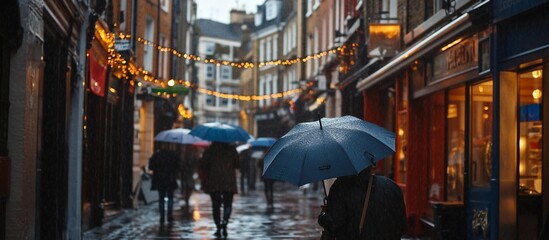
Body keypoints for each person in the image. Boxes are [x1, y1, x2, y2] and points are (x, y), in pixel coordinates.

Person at [318, 166, 406, 239]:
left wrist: (323, 216)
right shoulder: (391, 187)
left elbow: (333, 224)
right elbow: (402, 226)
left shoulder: (341, 187)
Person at [199, 141, 239, 238]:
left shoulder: (210, 150)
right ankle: (224, 224)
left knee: (216, 205)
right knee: (228, 204)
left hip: (214, 181)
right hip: (229, 181)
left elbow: (203, 164)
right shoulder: (232, 150)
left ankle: (218, 227)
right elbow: (237, 164)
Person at [148, 143, 180, 225]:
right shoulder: (173, 155)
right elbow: (178, 167)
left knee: (161, 198)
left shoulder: (157, 155)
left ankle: (162, 217)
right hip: (170, 179)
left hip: (160, 179)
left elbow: (151, 167)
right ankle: (169, 216)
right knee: (170, 198)